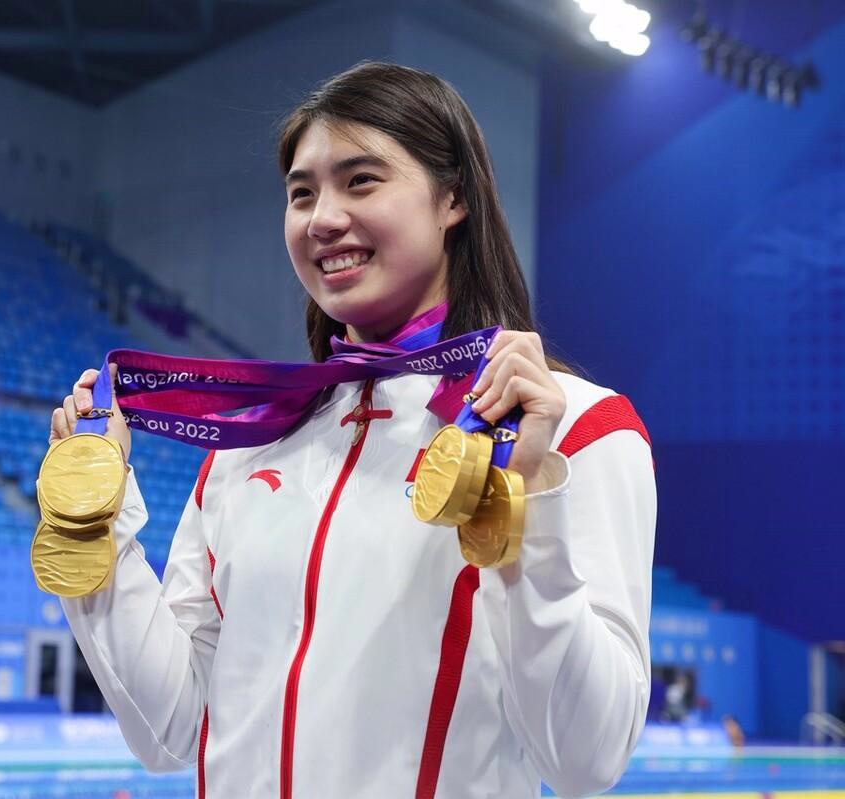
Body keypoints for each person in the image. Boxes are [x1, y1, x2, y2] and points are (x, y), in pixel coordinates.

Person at [49, 62, 656, 798]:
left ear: (453, 197)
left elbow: (586, 762)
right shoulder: (252, 446)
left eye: (360, 181)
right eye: (301, 192)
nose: (321, 217)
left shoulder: (576, 426)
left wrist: (526, 510)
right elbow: (171, 728)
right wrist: (93, 525)